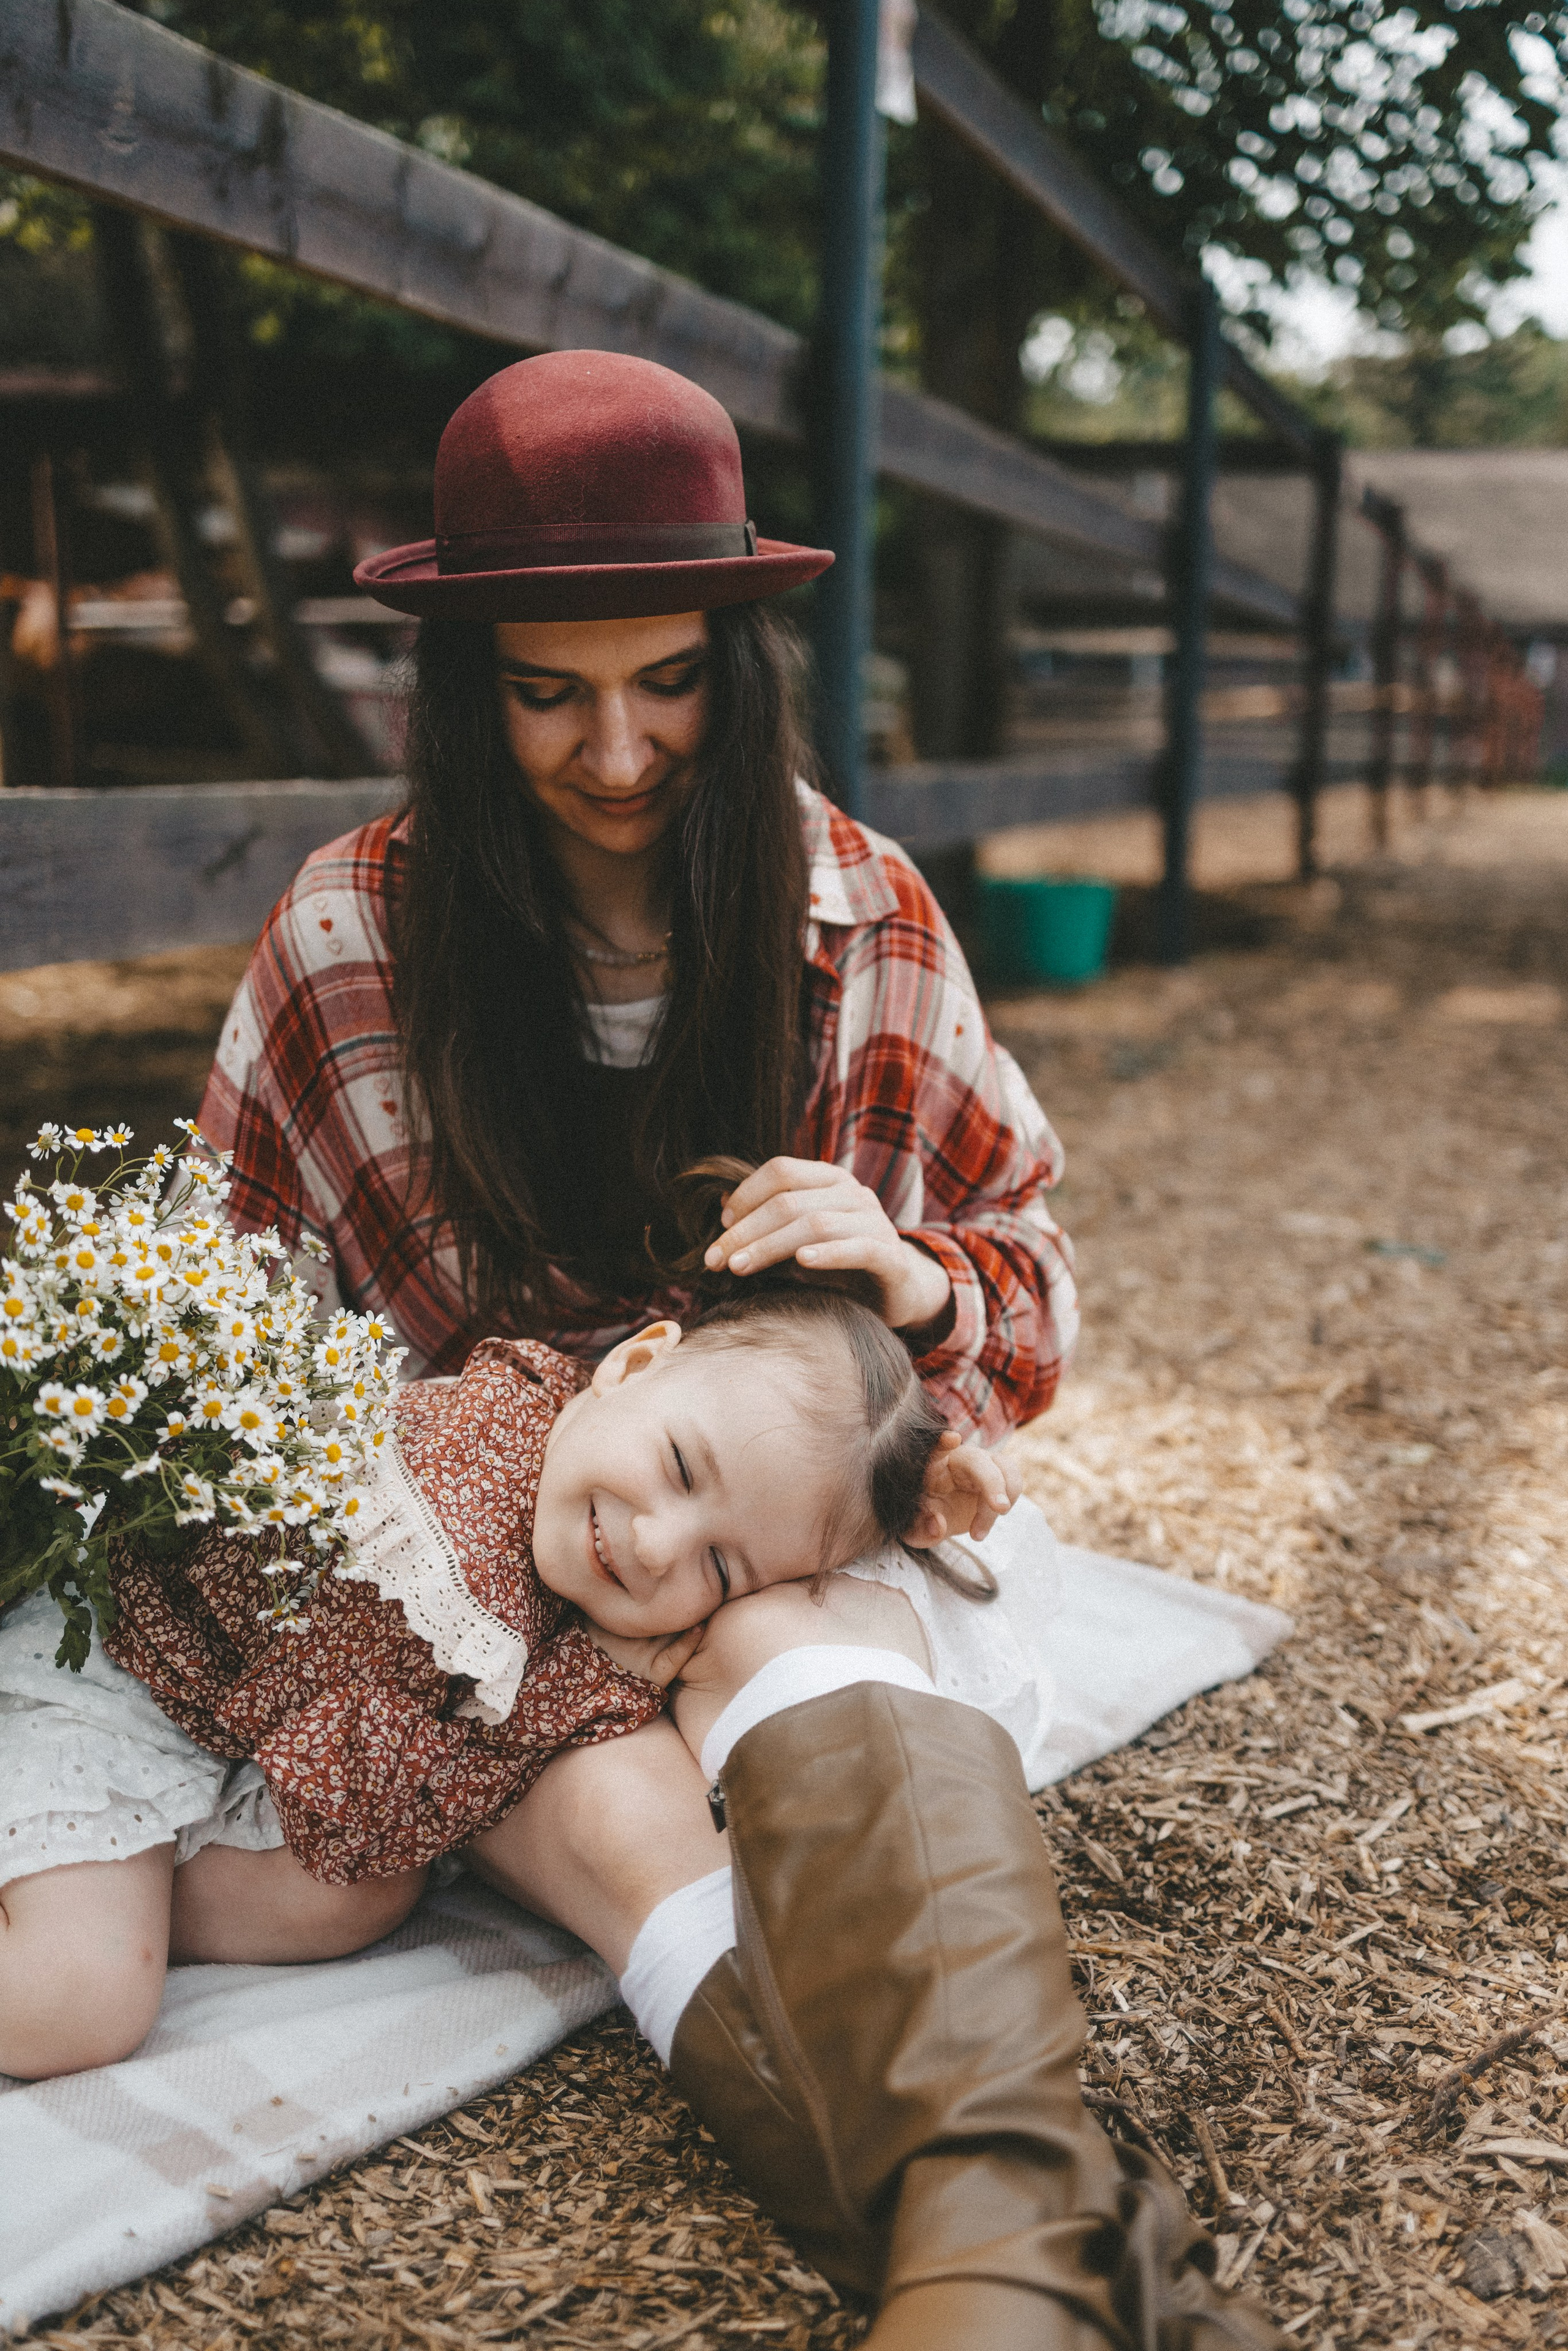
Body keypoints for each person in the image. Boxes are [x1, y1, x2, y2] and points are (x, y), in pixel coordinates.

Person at [194, 350, 1280, 2346]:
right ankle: (1029, 2271)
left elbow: (1030, 1292)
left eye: (670, 677)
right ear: (464, 689)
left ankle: (996, 2276)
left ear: (745, 660)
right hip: (485, 1585)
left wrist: (913, 1275)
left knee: (790, 1659)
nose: (618, 750)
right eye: (547, 690)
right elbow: (228, 1326)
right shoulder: (347, 933)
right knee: (619, 1823)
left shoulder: (859, 909)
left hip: (765, 1523)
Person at [0, 1273, 1001, 2083]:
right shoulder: (483, 1447)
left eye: (721, 1568)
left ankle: (63, 1874)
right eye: (683, 1470)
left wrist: (906, 1492)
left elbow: (374, 1804)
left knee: (359, 1897)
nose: (657, 1544)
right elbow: (374, 1765)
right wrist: (550, 1694)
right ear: (631, 1364)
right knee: (79, 2002)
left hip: (238, 1734)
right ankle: (74, 1911)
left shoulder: (579, 1642)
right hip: (116, 1656)